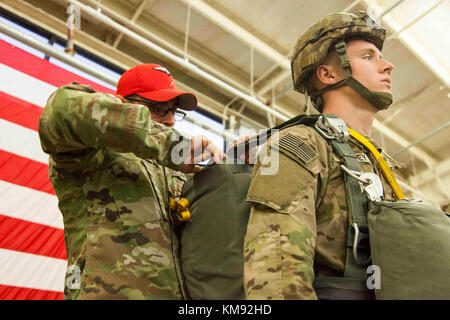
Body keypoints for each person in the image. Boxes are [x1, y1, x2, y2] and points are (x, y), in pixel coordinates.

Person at [243, 11, 403, 300]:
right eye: (368, 57)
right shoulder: (299, 144)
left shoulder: (378, 163)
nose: (388, 66)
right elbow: (276, 275)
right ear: (328, 74)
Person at [38, 63, 225, 299]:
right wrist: (174, 146)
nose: (170, 121)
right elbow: (60, 111)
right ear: (122, 104)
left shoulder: (172, 169)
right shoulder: (90, 152)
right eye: (159, 109)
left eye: (174, 111)